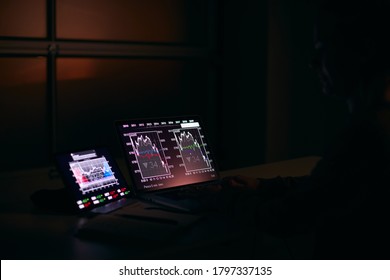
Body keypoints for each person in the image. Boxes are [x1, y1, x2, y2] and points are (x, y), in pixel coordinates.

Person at [218, 0, 390, 259]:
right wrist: (263, 187)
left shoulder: (365, 135)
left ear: (364, 48)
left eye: (323, 48)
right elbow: (328, 188)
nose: (313, 62)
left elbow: (287, 218)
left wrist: (225, 200)